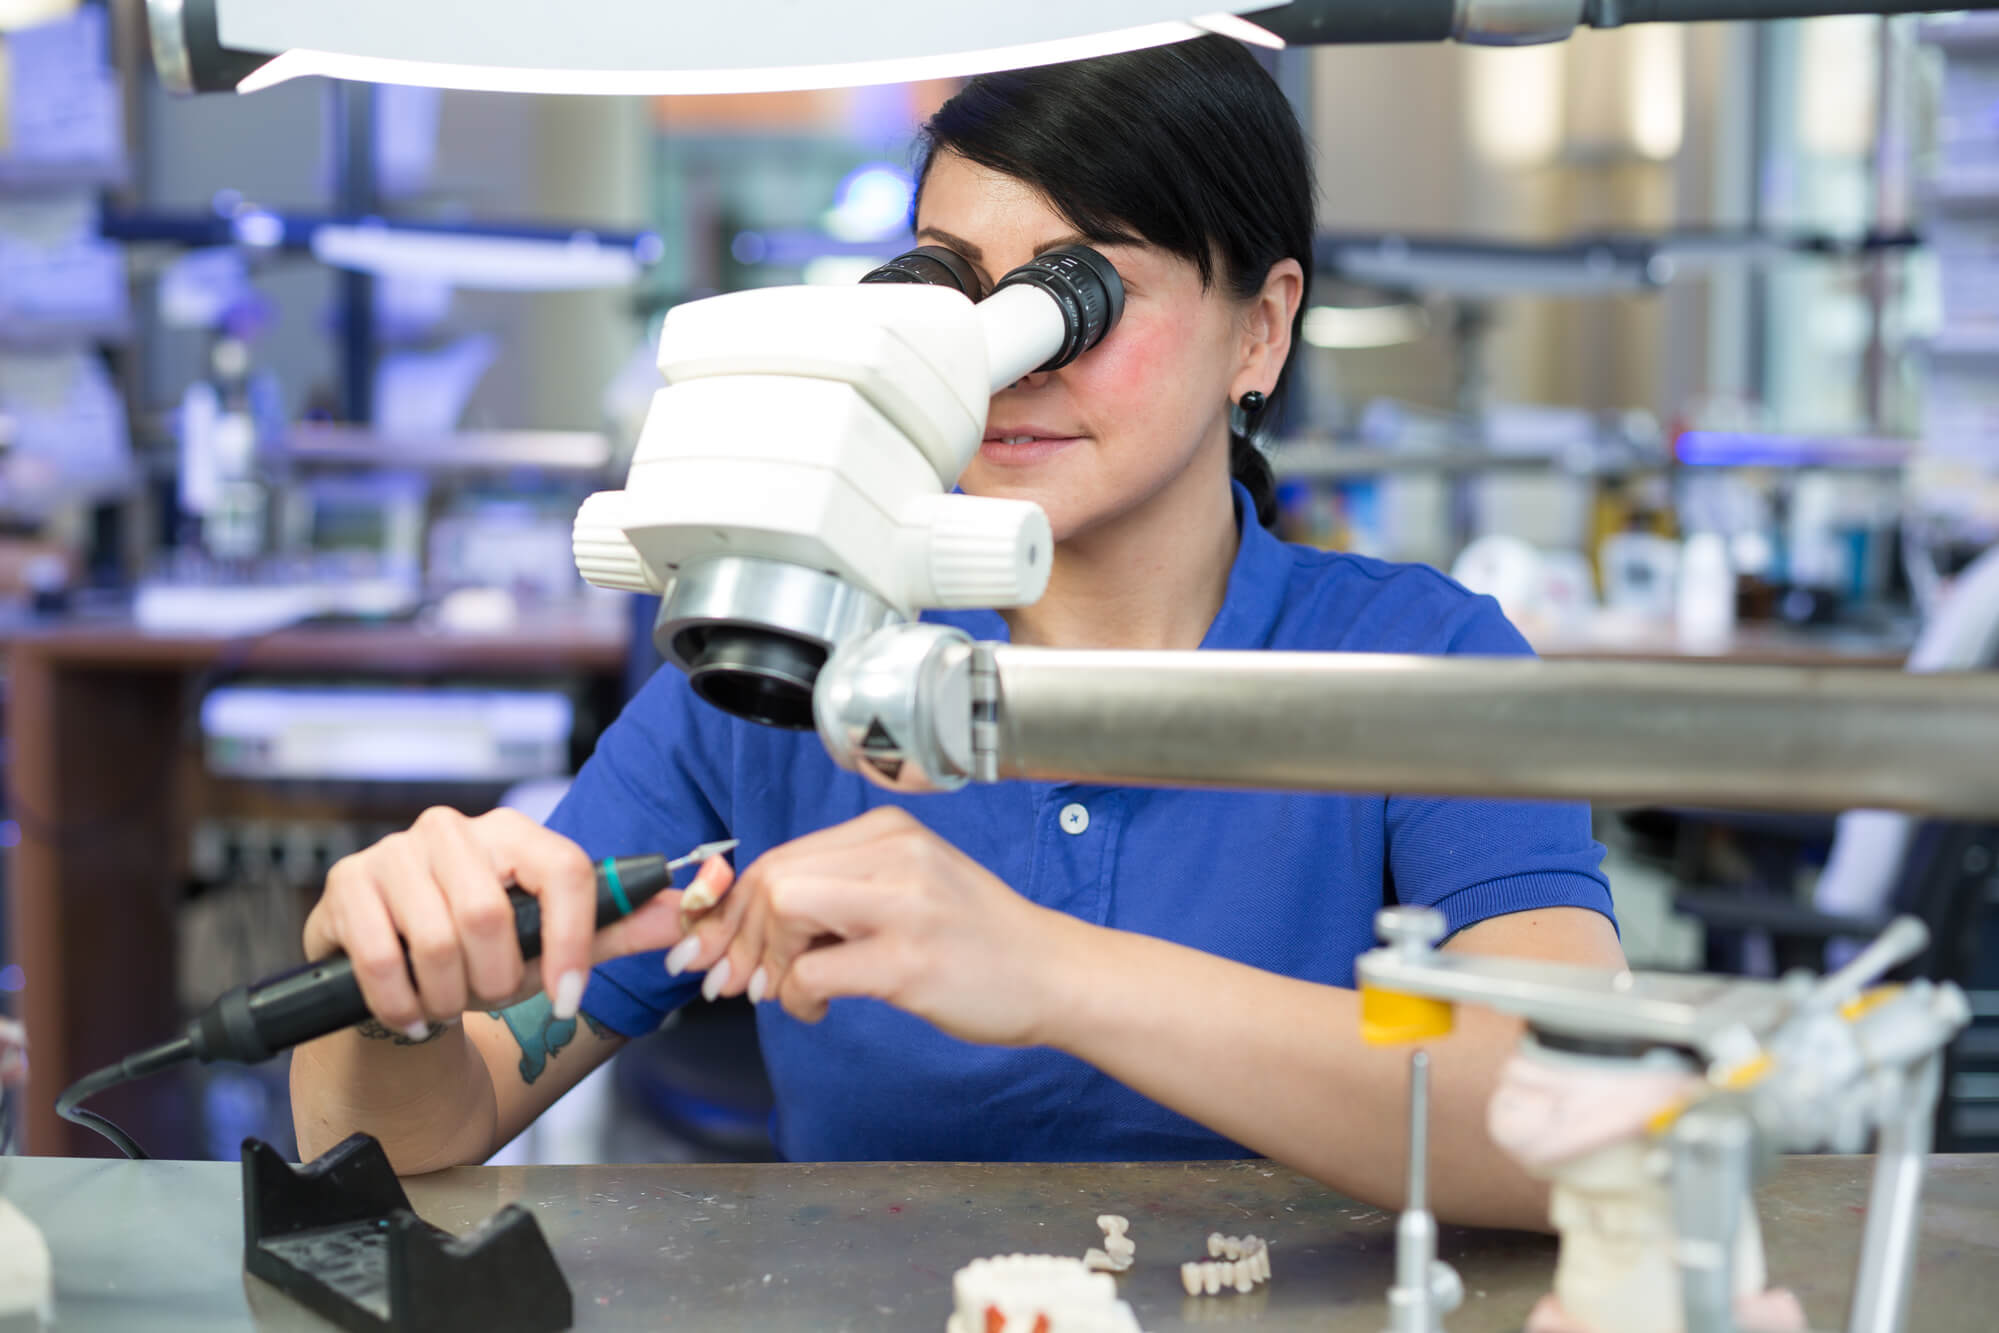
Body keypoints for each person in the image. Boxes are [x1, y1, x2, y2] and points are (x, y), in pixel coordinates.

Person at [292, 36, 1624, 1230]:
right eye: (950, 298)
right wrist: (398, 988)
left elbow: (1567, 1122)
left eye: (1073, 298)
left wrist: (1047, 971)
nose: (996, 364)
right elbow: (395, 1139)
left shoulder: (1416, 665)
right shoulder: (783, 658)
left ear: (1260, 328)